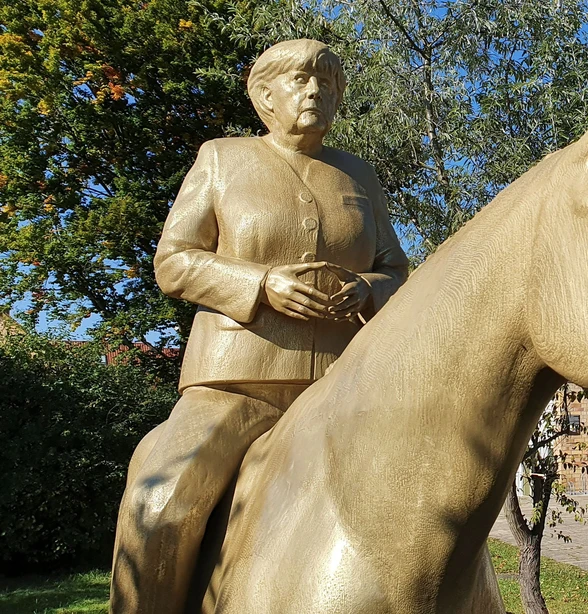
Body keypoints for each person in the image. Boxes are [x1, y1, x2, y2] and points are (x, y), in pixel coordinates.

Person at [109, 39, 408, 613]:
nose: (316, 90)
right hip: (235, 384)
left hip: (347, 385)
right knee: (161, 502)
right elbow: (173, 261)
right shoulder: (222, 159)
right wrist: (262, 284)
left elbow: (396, 269)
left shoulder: (360, 175)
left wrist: (369, 287)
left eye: (327, 81)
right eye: (299, 79)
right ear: (263, 95)